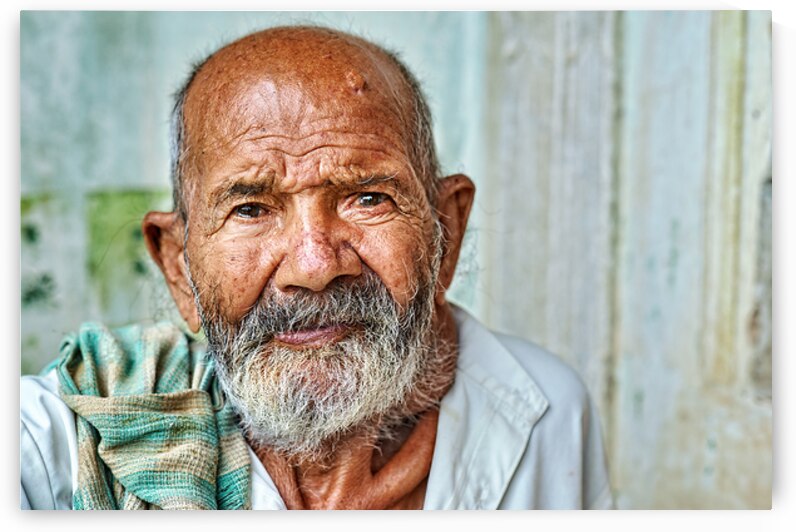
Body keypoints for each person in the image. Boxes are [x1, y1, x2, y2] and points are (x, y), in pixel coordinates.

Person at [20, 25, 613, 510]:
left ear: (445, 233)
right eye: (250, 208)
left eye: (368, 198)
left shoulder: (548, 412)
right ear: (179, 266)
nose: (314, 266)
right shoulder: (64, 439)